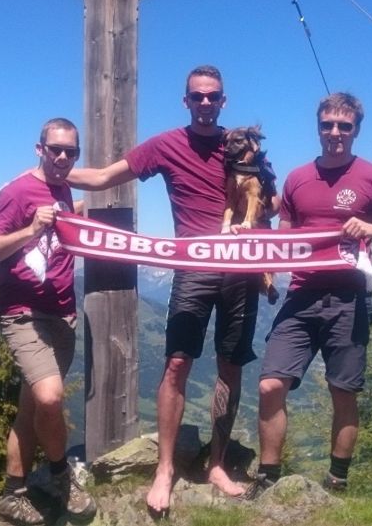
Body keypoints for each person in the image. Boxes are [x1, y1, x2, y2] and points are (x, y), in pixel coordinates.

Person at [67, 65, 279, 515]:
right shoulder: (167, 145)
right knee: (177, 363)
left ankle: (217, 465)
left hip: (241, 270)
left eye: (213, 96)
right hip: (192, 269)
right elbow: (106, 176)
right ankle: (165, 468)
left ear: (224, 100)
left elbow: (271, 200)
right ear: (186, 101)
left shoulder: (241, 144)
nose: (206, 103)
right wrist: (48, 174)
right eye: (197, 96)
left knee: (230, 366)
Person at [255, 93, 372, 492]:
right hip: (302, 295)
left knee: (343, 391)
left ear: (356, 130)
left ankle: (336, 482)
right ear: (318, 127)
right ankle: (267, 478)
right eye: (327, 124)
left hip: (350, 298)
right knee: (270, 384)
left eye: (344, 125)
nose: (335, 132)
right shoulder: (297, 178)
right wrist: (254, 252)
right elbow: (285, 238)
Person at [0, 118, 97, 525]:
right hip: (23, 314)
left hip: (61, 315)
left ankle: (13, 495)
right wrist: (29, 228)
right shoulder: (17, 191)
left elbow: (61, 217)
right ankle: (62, 477)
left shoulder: (63, 188)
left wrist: (83, 212)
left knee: (29, 410)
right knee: (49, 397)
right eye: (55, 149)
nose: (63, 157)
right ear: (39, 148)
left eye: (71, 151)